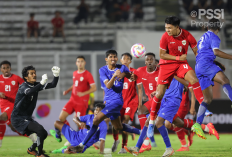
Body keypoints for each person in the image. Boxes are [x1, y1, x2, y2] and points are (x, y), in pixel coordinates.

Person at [68, 49, 141, 153]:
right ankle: (142, 132)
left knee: (96, 120)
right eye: (110, 57)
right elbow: (108, 85)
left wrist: (125, 75)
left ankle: (81, 145)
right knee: (118, 126)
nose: (113, 58)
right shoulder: (102, 70)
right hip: (108, 102)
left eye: (115, 56)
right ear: (106, 59)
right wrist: (115, 76)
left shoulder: (122, 67)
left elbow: (132, 76)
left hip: (117, 102)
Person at [125, 76, 219, 157]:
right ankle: (137, 148)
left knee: (159, 122)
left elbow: (187, 82)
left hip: (173, 100)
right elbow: (167, 84)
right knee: (166, 122)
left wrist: (174, 75)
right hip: (164, 98)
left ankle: (169, 148)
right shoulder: (168, 69)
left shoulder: (180, 69)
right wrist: (157, 91)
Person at [147, 16, 206, 139]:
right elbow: (162, 55)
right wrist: (178, 58)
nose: (167, 30)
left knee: (194, 79)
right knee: (159, 96)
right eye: (165, 27)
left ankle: (204, 108)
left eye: (169, 28)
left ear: (177, 27)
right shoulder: (164, 37)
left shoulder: (187, 35)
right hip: (167, 71)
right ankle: (151, 123)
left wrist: (202, 63)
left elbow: (197, 52)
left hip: (176, 93)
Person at [193, 18, 232, 139]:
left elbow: (204, 53)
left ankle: (197, 124)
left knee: (207, 99)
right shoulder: (215, 37)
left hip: (199, 66)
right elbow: (216, 52)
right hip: (206, 65)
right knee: (225, 81)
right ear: (218, 28)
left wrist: (216, 63)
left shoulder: (203, 37)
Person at [11, 65, 60, 157]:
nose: (34, 75)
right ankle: (39, 154)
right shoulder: (23, 87)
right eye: (32, 73)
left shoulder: (35, 85)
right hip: (18, 119)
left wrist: (56, 75)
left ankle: (31, 149)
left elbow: (53, 84)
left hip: (26, 118)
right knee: (40, 130)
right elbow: (29, 92)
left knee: (44, 133)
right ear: (26, 77)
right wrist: (41, 83)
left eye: (35, 73)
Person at [50, 56, 96, 143]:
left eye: (82, 61)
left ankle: (86, 141)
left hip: (82, 102)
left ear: (84, 63)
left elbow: (94, 88)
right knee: (61, 117)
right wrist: (68, 90)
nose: (80, 63)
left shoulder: (88, 74)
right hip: (72, 100)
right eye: (78, 61)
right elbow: (75, 84)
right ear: (76, 63)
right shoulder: (75, 73)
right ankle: (68, 134)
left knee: (79, 123)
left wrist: (83, 93)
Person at [0, 60, 37, 148]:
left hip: (14, 105)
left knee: (2, 118)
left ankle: (0, 141)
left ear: (10, 68)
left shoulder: (16, 78)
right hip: (3, 106)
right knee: (14, 128)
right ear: (1, 69)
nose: (6, 70)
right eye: (4, 68)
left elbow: (26, 85)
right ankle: (32, 136)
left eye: (7, 68)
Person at [111, 53, 139, 154]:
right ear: (121, 60)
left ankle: (123, 147)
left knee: (124, 122)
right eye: (124, 58)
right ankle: (116, 140)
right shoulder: (116, 72)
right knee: (115, 124)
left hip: (131, 101)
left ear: (130, 61)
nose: (126, 60)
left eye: (128, 59)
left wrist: (140, 102)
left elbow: (139, 87)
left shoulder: (134, 72)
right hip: (119, 101)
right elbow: (108, 86)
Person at [134, 52, 159, 152]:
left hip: (161, 100)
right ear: (145, 61)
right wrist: (139, 104)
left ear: (154, 62)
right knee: (141, 112)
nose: (149, 61)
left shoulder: (160, 71)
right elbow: (139, 89)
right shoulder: (140, 71)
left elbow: (166, 85)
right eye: (147, 59)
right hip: (150, 101)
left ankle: (147, 141)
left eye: (151, 59)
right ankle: (147, 141)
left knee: (170, 124)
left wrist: (157, 91)